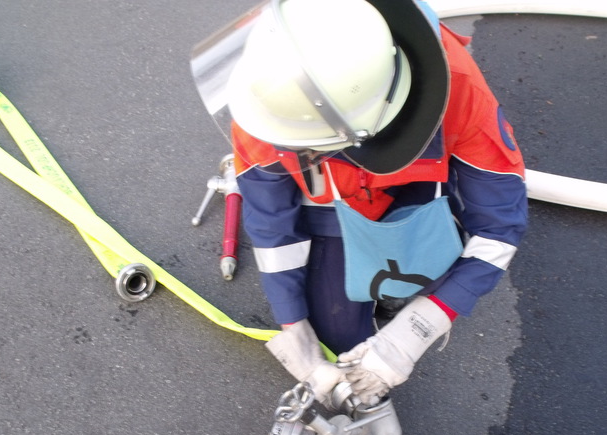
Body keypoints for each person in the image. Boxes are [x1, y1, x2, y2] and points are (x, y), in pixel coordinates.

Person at [194, 0, 527, 406]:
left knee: (436, 273)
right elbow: (271, 222)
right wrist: (292, 321)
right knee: (339, 336)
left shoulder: (460, 92)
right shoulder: (266, 98)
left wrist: (417, 330)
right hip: (329, 202)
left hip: (410, 190)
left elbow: (498, 228)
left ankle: (415, 270)